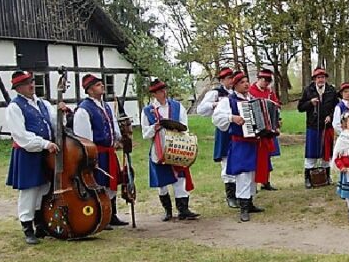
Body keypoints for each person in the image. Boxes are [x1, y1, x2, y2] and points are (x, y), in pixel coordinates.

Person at [4, 70, 66, 244]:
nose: (31, 86)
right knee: (29, 190)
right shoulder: (14, 107)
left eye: (31, 82)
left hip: (46, 153)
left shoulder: (43, 104)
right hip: (28, 154)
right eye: (26, 84)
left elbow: (55, 124)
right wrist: (44, 143)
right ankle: (27, 227)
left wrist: (63, 114)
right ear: (17, 88)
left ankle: (41, 224)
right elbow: (21, 135)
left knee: (45, 188)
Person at [213, 71, 271, 222]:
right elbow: (216, 118)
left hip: (254, 142)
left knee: (252, 173)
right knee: (243, 174)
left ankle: (250, 202)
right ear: (235, 85)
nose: (246, 84)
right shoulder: (228, 101)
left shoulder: (253, 100)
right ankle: (243, 207)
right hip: (240, 142)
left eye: (247, 81)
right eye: (242, 82)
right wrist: (232, 117)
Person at [140, 78, 199, 221]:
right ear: (154, 94)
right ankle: (167, 211)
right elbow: (145, 134)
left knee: (180, 178)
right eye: (160, 91)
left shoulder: (177, 106)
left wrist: (177, 128)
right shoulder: (147, 111)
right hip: (158, 150)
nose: (164, 93)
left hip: (177, 147)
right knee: (162, 183)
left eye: (164, 89)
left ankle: (183, 210)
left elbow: (185, 126)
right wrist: (155, 127)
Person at [73, 73, 126, 226]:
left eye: (102, 84)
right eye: (97, 85)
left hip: (109, 152)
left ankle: (112, 214)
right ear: (89, 90)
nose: (102, 86)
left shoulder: (106, 106)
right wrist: (91, 156)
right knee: (100, 184)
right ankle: (102, 216)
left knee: (112, 183)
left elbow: (113, 126)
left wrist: (118, 139)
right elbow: (84, 138)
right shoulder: (84, 110)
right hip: (97, 153)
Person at [196, 67, 239, 208]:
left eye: (232, 78)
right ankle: (230, 195)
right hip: (224, 129)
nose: (231, 81)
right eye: (228, 78)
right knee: (226, 160)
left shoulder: (236, 93)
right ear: (222, 80)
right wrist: (214, 104)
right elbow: (201, 110)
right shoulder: (215, 93)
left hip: (238, 129)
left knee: (238, 157)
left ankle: (240, 192)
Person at [297, 67, 339, 189]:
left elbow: (336, 108)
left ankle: (327, 176)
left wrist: (330, 116)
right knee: (311, 153)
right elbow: (300, 107)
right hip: (313, 126)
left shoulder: (331, 90)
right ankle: (308, 178)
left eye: (323, 77)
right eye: (318, 77)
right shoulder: (308, 90)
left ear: (325, 78)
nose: (321, 79)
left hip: (326, 126)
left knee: (326, 153)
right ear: (315, 79)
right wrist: (310, 102)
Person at [249, 68, 282, 191]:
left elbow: (276, 106)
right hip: (256, 128)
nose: (267, 83)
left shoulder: (270, 92)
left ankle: (265, 181)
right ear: (259, 79)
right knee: (255, 156)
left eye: (269, 81)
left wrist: (277, 121)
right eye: (265, 80)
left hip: (268, 128)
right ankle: (253, 183)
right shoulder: (251, 91)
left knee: (267, 155)